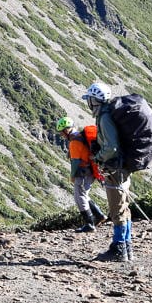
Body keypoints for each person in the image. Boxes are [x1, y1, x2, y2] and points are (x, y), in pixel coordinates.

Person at [83, 81, 134, 262]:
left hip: (114, 168)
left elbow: (111, 146)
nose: (88, 102)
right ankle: (126, 246)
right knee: (124, 206)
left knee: (117, 208)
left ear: (95, 100)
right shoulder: (109, 113)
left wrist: (98, 158)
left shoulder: (104, 117)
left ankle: (119, 248)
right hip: (122, 167)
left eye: (89, 99)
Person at [55, 117, 107, 233]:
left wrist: (72, 176)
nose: (62, 135)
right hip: (91, 170)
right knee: (84, 195)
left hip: (83, 172)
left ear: (66, 130)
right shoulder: (80, 136)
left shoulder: (74, 142)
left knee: (79, 197)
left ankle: (89, 224)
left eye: (62, 132)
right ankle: (99, 216)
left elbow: (75, 162)